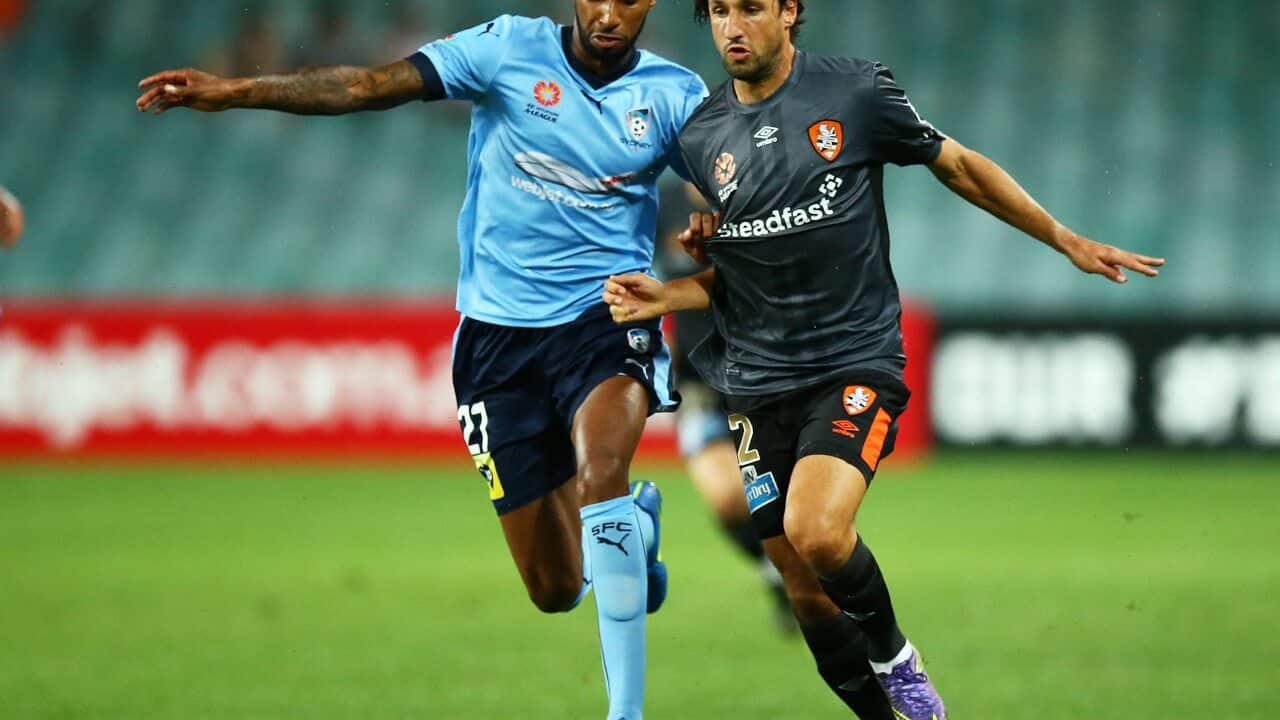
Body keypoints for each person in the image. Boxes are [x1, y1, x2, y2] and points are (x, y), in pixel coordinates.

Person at [137, 5, 709, 719]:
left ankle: (625, 711)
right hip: (497, 343)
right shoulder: (506, 49)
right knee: (555, 588)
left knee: (601, 474)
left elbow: (722, 184)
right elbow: (365, 86)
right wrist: (235, 91)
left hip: (606, 318)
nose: (608, 11)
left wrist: (706, 217)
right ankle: (633, 532)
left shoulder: (675, 94)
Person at [603, 2, 1166, 718]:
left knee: (817, 530)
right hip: (755, 378)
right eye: (717, 10)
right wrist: (669, 290)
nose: (732, 26)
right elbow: (740, 270)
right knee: (802, 585)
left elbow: (957, 165)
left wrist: (1063, 238)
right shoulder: (701, 135)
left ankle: (898, 660)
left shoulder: (856, 93)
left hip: (851, 360)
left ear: (789, 11)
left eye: (750, 6)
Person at [654, 181, 793, 632]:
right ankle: (775, 570)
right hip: (701, 388)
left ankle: (804, 574)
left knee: (786, 502)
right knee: (727, 497)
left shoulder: (755, 192)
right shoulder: (662, 204)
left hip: (764, 378)